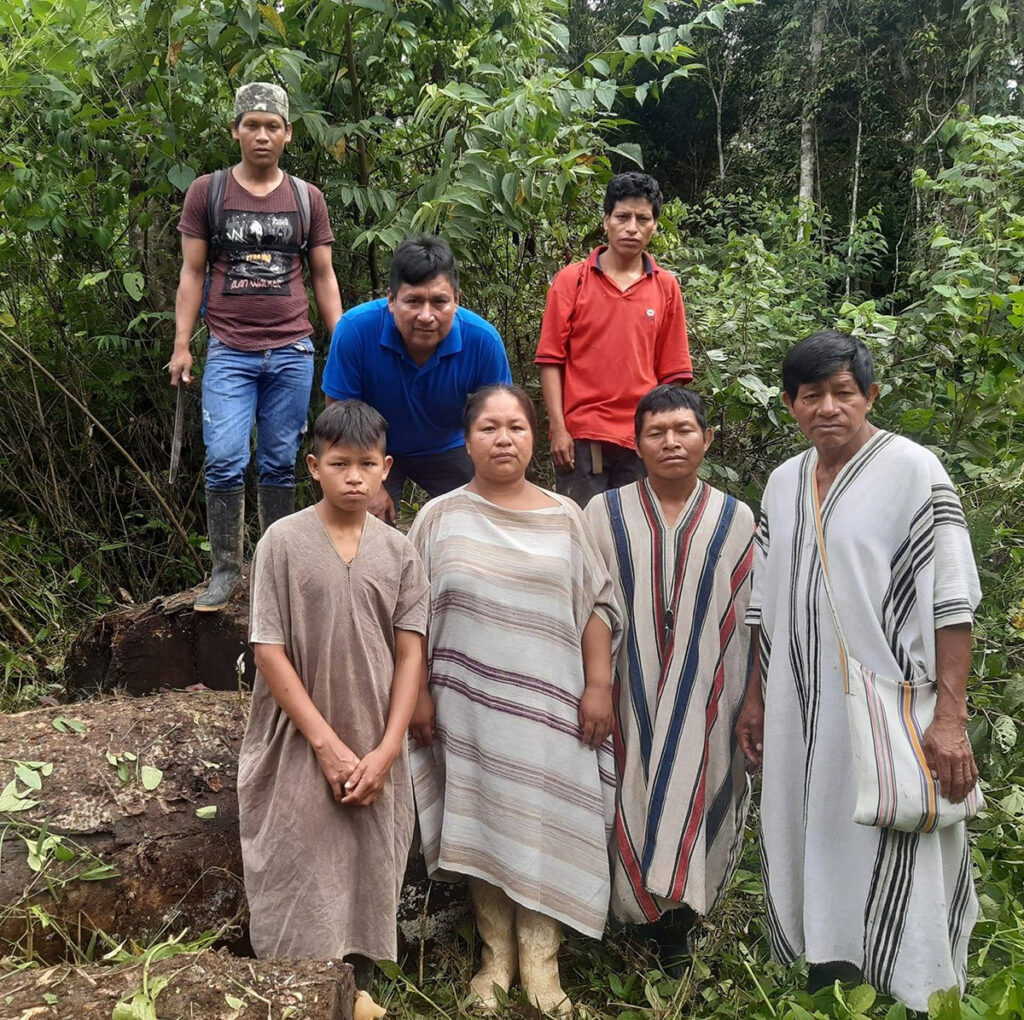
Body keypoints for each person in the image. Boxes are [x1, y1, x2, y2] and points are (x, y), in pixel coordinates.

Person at [735, 330, 981, 1011]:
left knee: (898, 836)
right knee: (815, 833)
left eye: (844, 392)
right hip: (799, 705)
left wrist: (952, 719)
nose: (828, 407)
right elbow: (764, 603)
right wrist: (756, 698)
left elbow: (953, 601)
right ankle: (830, 970)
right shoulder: (784, 483)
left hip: (891, 704)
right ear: (789, 405)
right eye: (811, 395)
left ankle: (917, 985)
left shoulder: (914, 470)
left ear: (870, 395)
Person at [407, 384, 621, 1016]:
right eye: (489, 428)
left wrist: (600, 686)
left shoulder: (565, 516)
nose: (504, 439)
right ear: (466, 438)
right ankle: (494, 962)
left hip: (553, 707)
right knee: (482, 818)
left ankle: (544, 968)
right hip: (466, 706)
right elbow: (410, 617)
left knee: (540, 821)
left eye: (517, 427)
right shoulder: (438, 517)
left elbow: (598, 605)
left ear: (535, 437)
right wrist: (417, 691)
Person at [237, 400, 429, 990]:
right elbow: (268, 649)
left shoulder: (398, 552)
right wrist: (324, 744)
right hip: (298, 734)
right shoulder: (282, 541)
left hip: (375, 733)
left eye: (366, 465)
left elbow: (410, 653)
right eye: (340, 464)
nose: (354, 478)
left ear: (385, 467)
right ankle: (301, 986)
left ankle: (358, 984)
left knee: (370, 859)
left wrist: (388, 748)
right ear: (313, 465)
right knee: (298, 856)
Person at [584, 385, 754, 974]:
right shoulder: (602, 513)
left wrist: (750, 698)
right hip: (627, 687)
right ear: (635, 444)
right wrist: (598, 685)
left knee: (695, 788)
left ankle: (677, 927)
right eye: (656, 432)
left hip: (709, 686)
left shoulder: (736, 519)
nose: (671, 442)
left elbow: (750, 616)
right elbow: (592, 604)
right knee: (627, 787)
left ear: (706, 439)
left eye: (684, 430)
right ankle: (625, 914)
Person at [170, 82, 343, 611]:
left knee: (278, 460)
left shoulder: (306, 198)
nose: (262, 135)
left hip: (292, 349)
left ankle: (274, 571)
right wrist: (182, 345)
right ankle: (225, 570)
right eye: (252, 125)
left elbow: (323, 276)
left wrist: (344, 342)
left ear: (287, 133)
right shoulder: (209, 191)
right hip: (230, 350)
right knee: (223, 459)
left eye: (272, 126)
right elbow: (192, 271)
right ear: (236, 131)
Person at [322, 235, 511, 523]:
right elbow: (339, 417)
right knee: (356, 516)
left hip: (448, 446)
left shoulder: (482, 341)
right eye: (413, 301)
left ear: (457, 301)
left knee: (493, 510)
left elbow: (499, 423)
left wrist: (491, 485)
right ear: (391, 300)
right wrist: (366, 483)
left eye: (439, 302)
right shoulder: (355, 331)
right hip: (372, 447)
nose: (426, 315)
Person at [536, 172, 693, 508]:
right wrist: (559, 430)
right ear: (606, 220)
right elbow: (551, 360)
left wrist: (666, 434)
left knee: (634, 534)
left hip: (641, 435)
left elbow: (673, 374)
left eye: (642, 218)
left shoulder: (665, 287)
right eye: (622, 217)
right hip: (583, 435)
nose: (631, 227)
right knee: (583, 534)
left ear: (654, 226)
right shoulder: (572, 281)